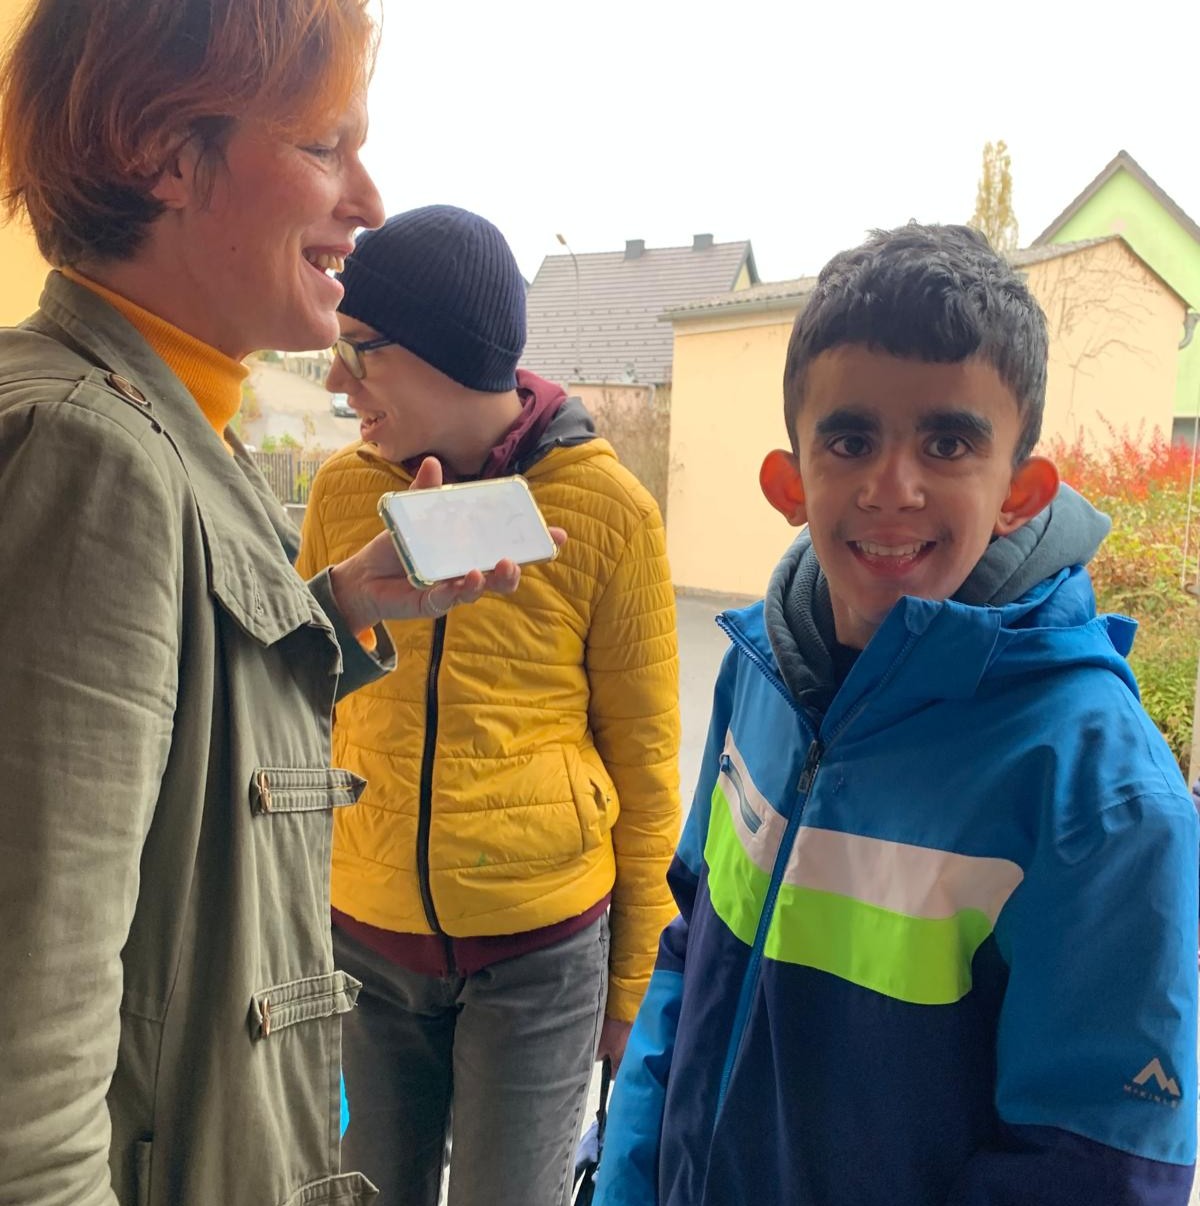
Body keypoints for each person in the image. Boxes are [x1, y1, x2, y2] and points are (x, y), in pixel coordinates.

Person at [0, 5, 528, 1205]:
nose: (370, 201)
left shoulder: (148, 410)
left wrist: (333, 608)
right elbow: (24, 1085)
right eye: (325, 146)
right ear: (164, 152)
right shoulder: (91, 452)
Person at [595, 223, 1200, 1206]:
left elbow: (1093, 1171)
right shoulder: (759, 673)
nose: (893, 487)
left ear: (1020, 492)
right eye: (852, 440)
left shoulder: (1099, 794)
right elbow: (689, 953)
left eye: (948, 443)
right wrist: (625, 1184)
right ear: (790, 483)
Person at [295, 204, 682, 1206]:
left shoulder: (609, 511)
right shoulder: (341, 494)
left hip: (541, 958)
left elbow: (646, 767)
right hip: (362, 942)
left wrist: (633, 987)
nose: (337, 382)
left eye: (359, 351)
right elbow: (294, 712)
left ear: (448, 352)